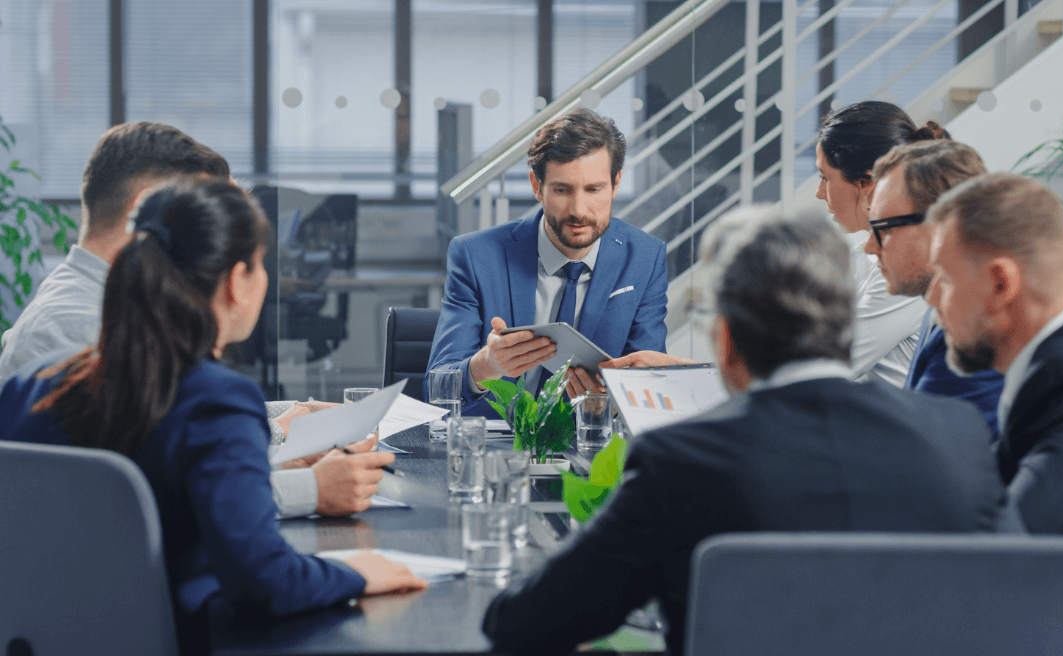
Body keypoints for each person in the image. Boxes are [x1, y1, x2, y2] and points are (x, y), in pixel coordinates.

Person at [483, 206, 1009, 656]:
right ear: (845, 328)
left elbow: (526, 623)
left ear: (726, 342)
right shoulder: (957, 436)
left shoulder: (679, 460)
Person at [0, 179, 427, 655]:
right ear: (236, 281)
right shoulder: (218, 400)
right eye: (263, 264)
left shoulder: (28, 385)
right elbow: (265, 583)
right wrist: (357, 572)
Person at [0, 122, 388, 518]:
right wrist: (309, 484)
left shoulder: (107, 306)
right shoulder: (75, 327)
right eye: (204, 214)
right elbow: (157, 489)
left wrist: (290, 417)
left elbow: (165, 420)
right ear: (144, 210)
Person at [424, 108, 668, 415]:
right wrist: (485, 367)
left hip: (591, 446)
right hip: (497, 448)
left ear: (615, 183)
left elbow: (652, 387)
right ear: (537, 186)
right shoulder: (475, 256)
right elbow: (435, 389)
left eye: (594, 189)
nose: (579, 210)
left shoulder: (645, 257)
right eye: (562, 190)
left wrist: (613, 405)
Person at [926, 172, 1063, 534]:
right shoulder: (1048, 379)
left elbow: (1009, 558)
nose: (932, 298)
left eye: (944, 279)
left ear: (1001, 284)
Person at [863, 140, 1004, 437]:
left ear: (944, 226)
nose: (870, 246)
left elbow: (930, 455)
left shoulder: (977, 331)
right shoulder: (939, 308)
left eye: (884, 229)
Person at [815, 101, 947, 386]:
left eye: (825, 178)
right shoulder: (864, 251)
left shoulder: (909, 262)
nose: (818, 193)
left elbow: (830, 362)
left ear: (866, 182)